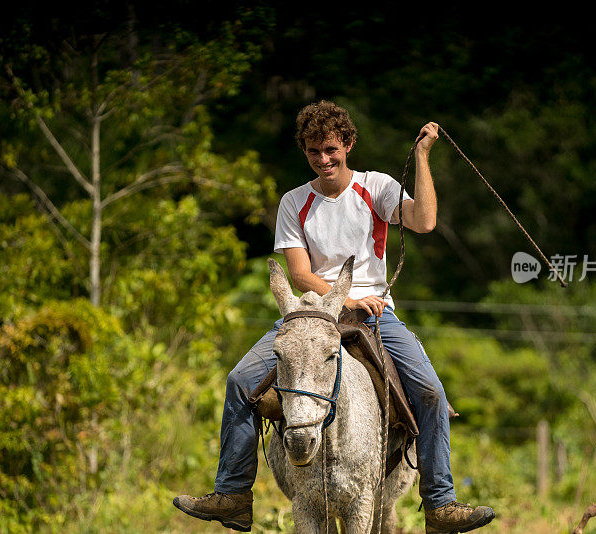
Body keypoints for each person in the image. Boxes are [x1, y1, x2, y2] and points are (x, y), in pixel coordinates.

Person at [174, 101, 495, 533]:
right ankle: (233, 493)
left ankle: (440, 503)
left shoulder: (375, 187)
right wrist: (343, 302)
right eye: (313, 152)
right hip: (309, 315)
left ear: (348, 143)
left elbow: (425, 219)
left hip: (375, 317)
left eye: (330, 149)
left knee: (432, 392)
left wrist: (421, 156)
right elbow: (300, 273)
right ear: (304, 153)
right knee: (239, 381)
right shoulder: (294, 202)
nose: (323, 160)